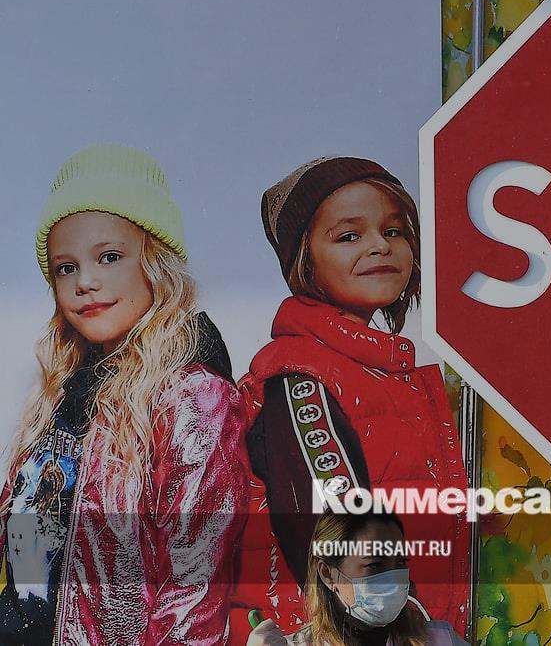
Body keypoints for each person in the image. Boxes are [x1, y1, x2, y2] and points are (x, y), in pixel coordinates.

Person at [0, 144, 249, 644]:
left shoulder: (191, 398)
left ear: (154, 263)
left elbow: (192, 600)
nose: (85, 282)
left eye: (108, 257)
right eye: (65, 267)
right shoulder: (59, 399)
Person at [230, 157, 469, 642]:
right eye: (348, 236)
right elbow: (336, 546)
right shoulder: (300, 376)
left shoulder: (390, 377)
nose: (380, 245)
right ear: (304, 261)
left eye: (394, 231)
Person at [246, 512, 468, 646]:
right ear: (328, 574)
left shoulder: (440, 640)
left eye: (400, 562)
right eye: (375, 565)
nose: (394, 579)